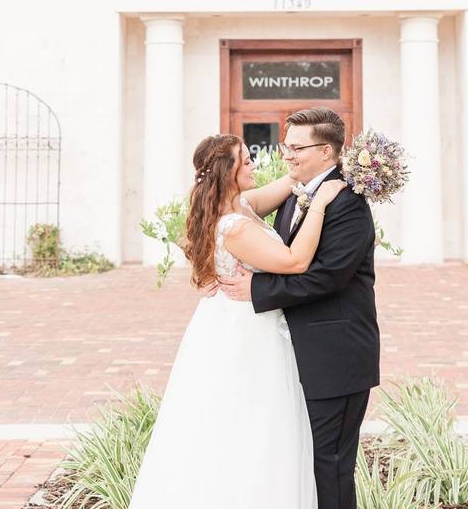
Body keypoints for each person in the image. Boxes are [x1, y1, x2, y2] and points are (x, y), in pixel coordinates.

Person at [127, 132, 346, 509]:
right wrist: (322, 204)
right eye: (246, 161)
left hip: (232, 325)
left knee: (240, 428)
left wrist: (333, 162)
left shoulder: (242, 205)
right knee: (251, 426)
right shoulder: (236, 227)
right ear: (228, 172)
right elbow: (295, 262)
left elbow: (292, 180)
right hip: (248, 334)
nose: (254, 164)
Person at [219, 107, 380, 509]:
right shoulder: (300, 191)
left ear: (327, 151)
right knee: (302, 461)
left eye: (295, 147)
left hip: (336, 355)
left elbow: (328, 276)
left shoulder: (348, 201)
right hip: (298, 354)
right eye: (284, 145)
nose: (285, 154)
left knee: (331, 463)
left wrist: (258, 288)